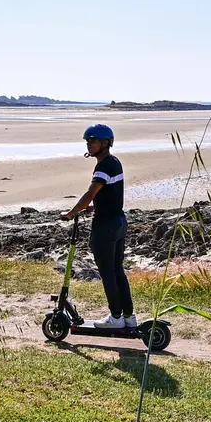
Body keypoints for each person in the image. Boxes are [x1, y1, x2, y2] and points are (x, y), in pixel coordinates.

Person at [60, 123, 137, 329]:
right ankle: (129, 317)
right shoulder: (114, 162)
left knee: (107, 272)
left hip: (106, 226)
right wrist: (95, 207)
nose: (89, 144)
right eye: (87, 141)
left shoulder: (103, 166)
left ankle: (116, 317)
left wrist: (72, 212)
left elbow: (90, 192)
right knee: (117, 270)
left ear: (106, 143)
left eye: (93, 141)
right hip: (119, 222)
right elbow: (110, 193)